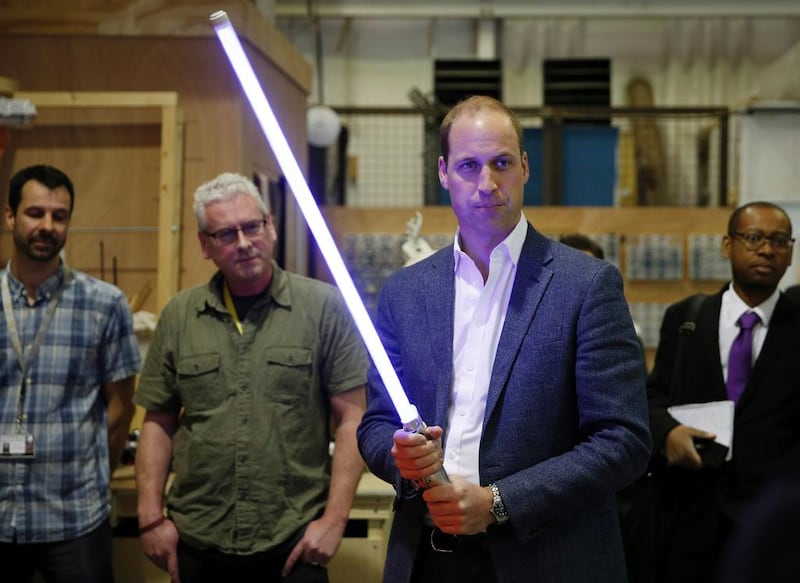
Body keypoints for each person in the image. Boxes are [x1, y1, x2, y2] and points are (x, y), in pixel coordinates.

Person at [356, 95, 652, 583]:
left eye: (501, 163)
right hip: (427, 560)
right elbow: (376, 423)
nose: (487, 184)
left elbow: (624, 440)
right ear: (444, 172)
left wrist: (498, 503)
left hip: (548, 558)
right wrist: (398, 456)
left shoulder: (585, 285)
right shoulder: (405, 291)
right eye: (469, 166)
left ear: (525, 167)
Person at [134, 172, 368, 583]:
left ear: (271, 226)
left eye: (251, 227)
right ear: (205, 245)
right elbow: (158, 421)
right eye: (225, 234)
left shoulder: (323, 307)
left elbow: (354, 419)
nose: (243, 243)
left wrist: (335, 520)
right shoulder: (179, 316)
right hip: (199, 541)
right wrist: (150, 517)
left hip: (294, 542)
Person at [0, 164, 141, 582]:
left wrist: (97, 479)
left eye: (59, 216)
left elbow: (120, 409)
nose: (47, 226)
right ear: (10, 215)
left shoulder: (105, 304)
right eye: (35, 213)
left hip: (74, 519)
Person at [647, 201, 800, 583]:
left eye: (780, 241)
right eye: (754, 238)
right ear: (727, 246)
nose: (767, 250)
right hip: (693, 515)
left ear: (791, 252)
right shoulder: (687, 318)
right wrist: (667, 433)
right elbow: (653, 398)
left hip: (776, 525)